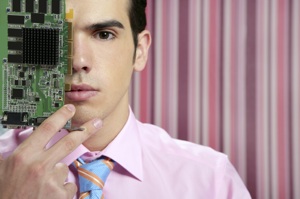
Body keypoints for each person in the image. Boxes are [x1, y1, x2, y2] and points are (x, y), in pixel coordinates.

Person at [0, 0, 252, 198]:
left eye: (104, 34)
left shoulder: (210, 180)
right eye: (50, 35)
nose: (77, 61)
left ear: (139, 51)